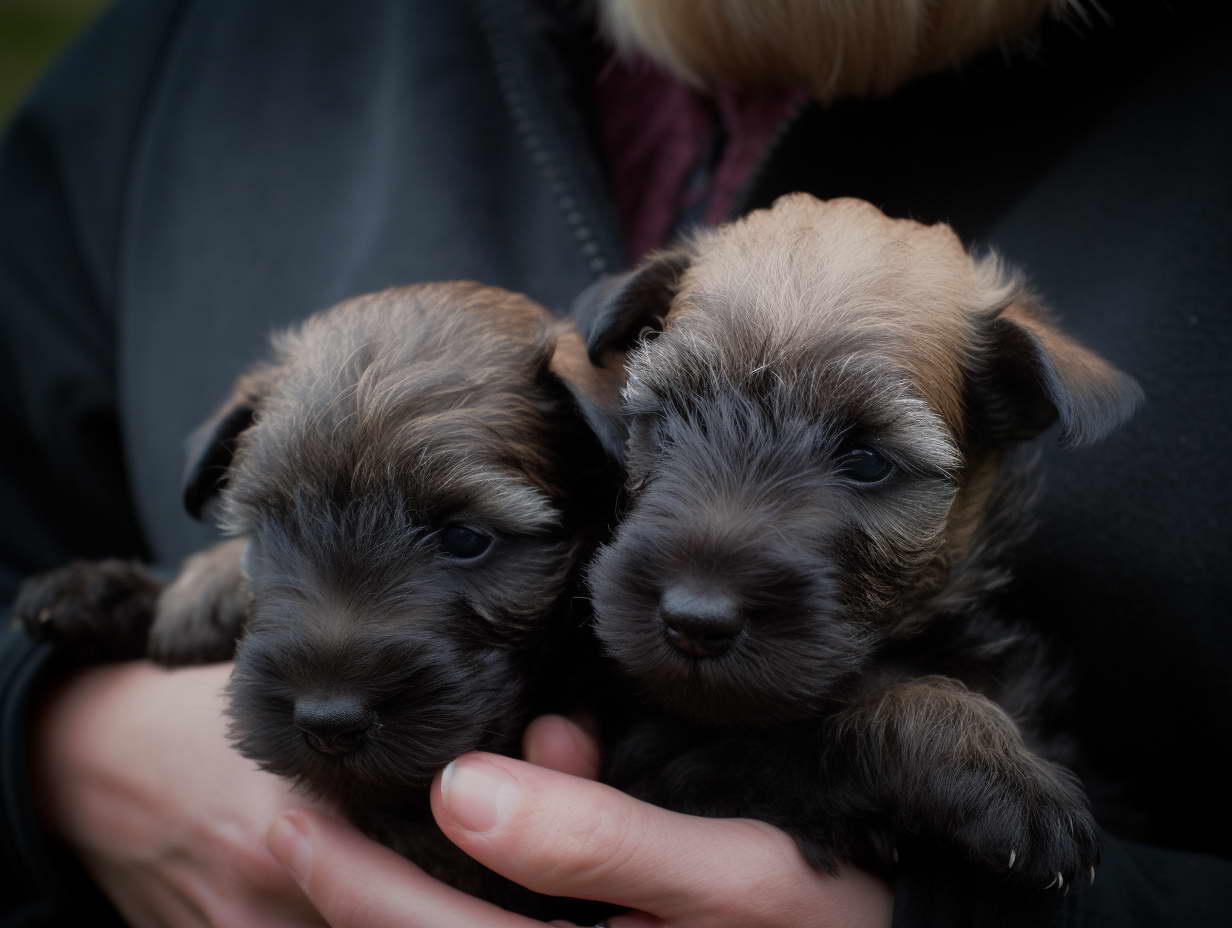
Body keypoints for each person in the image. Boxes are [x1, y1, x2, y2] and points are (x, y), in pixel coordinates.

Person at [2, 0, 1229, 925]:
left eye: (863, 460)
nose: (698, 566)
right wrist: (60, 737)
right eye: (664, 427)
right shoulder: (198, 48)